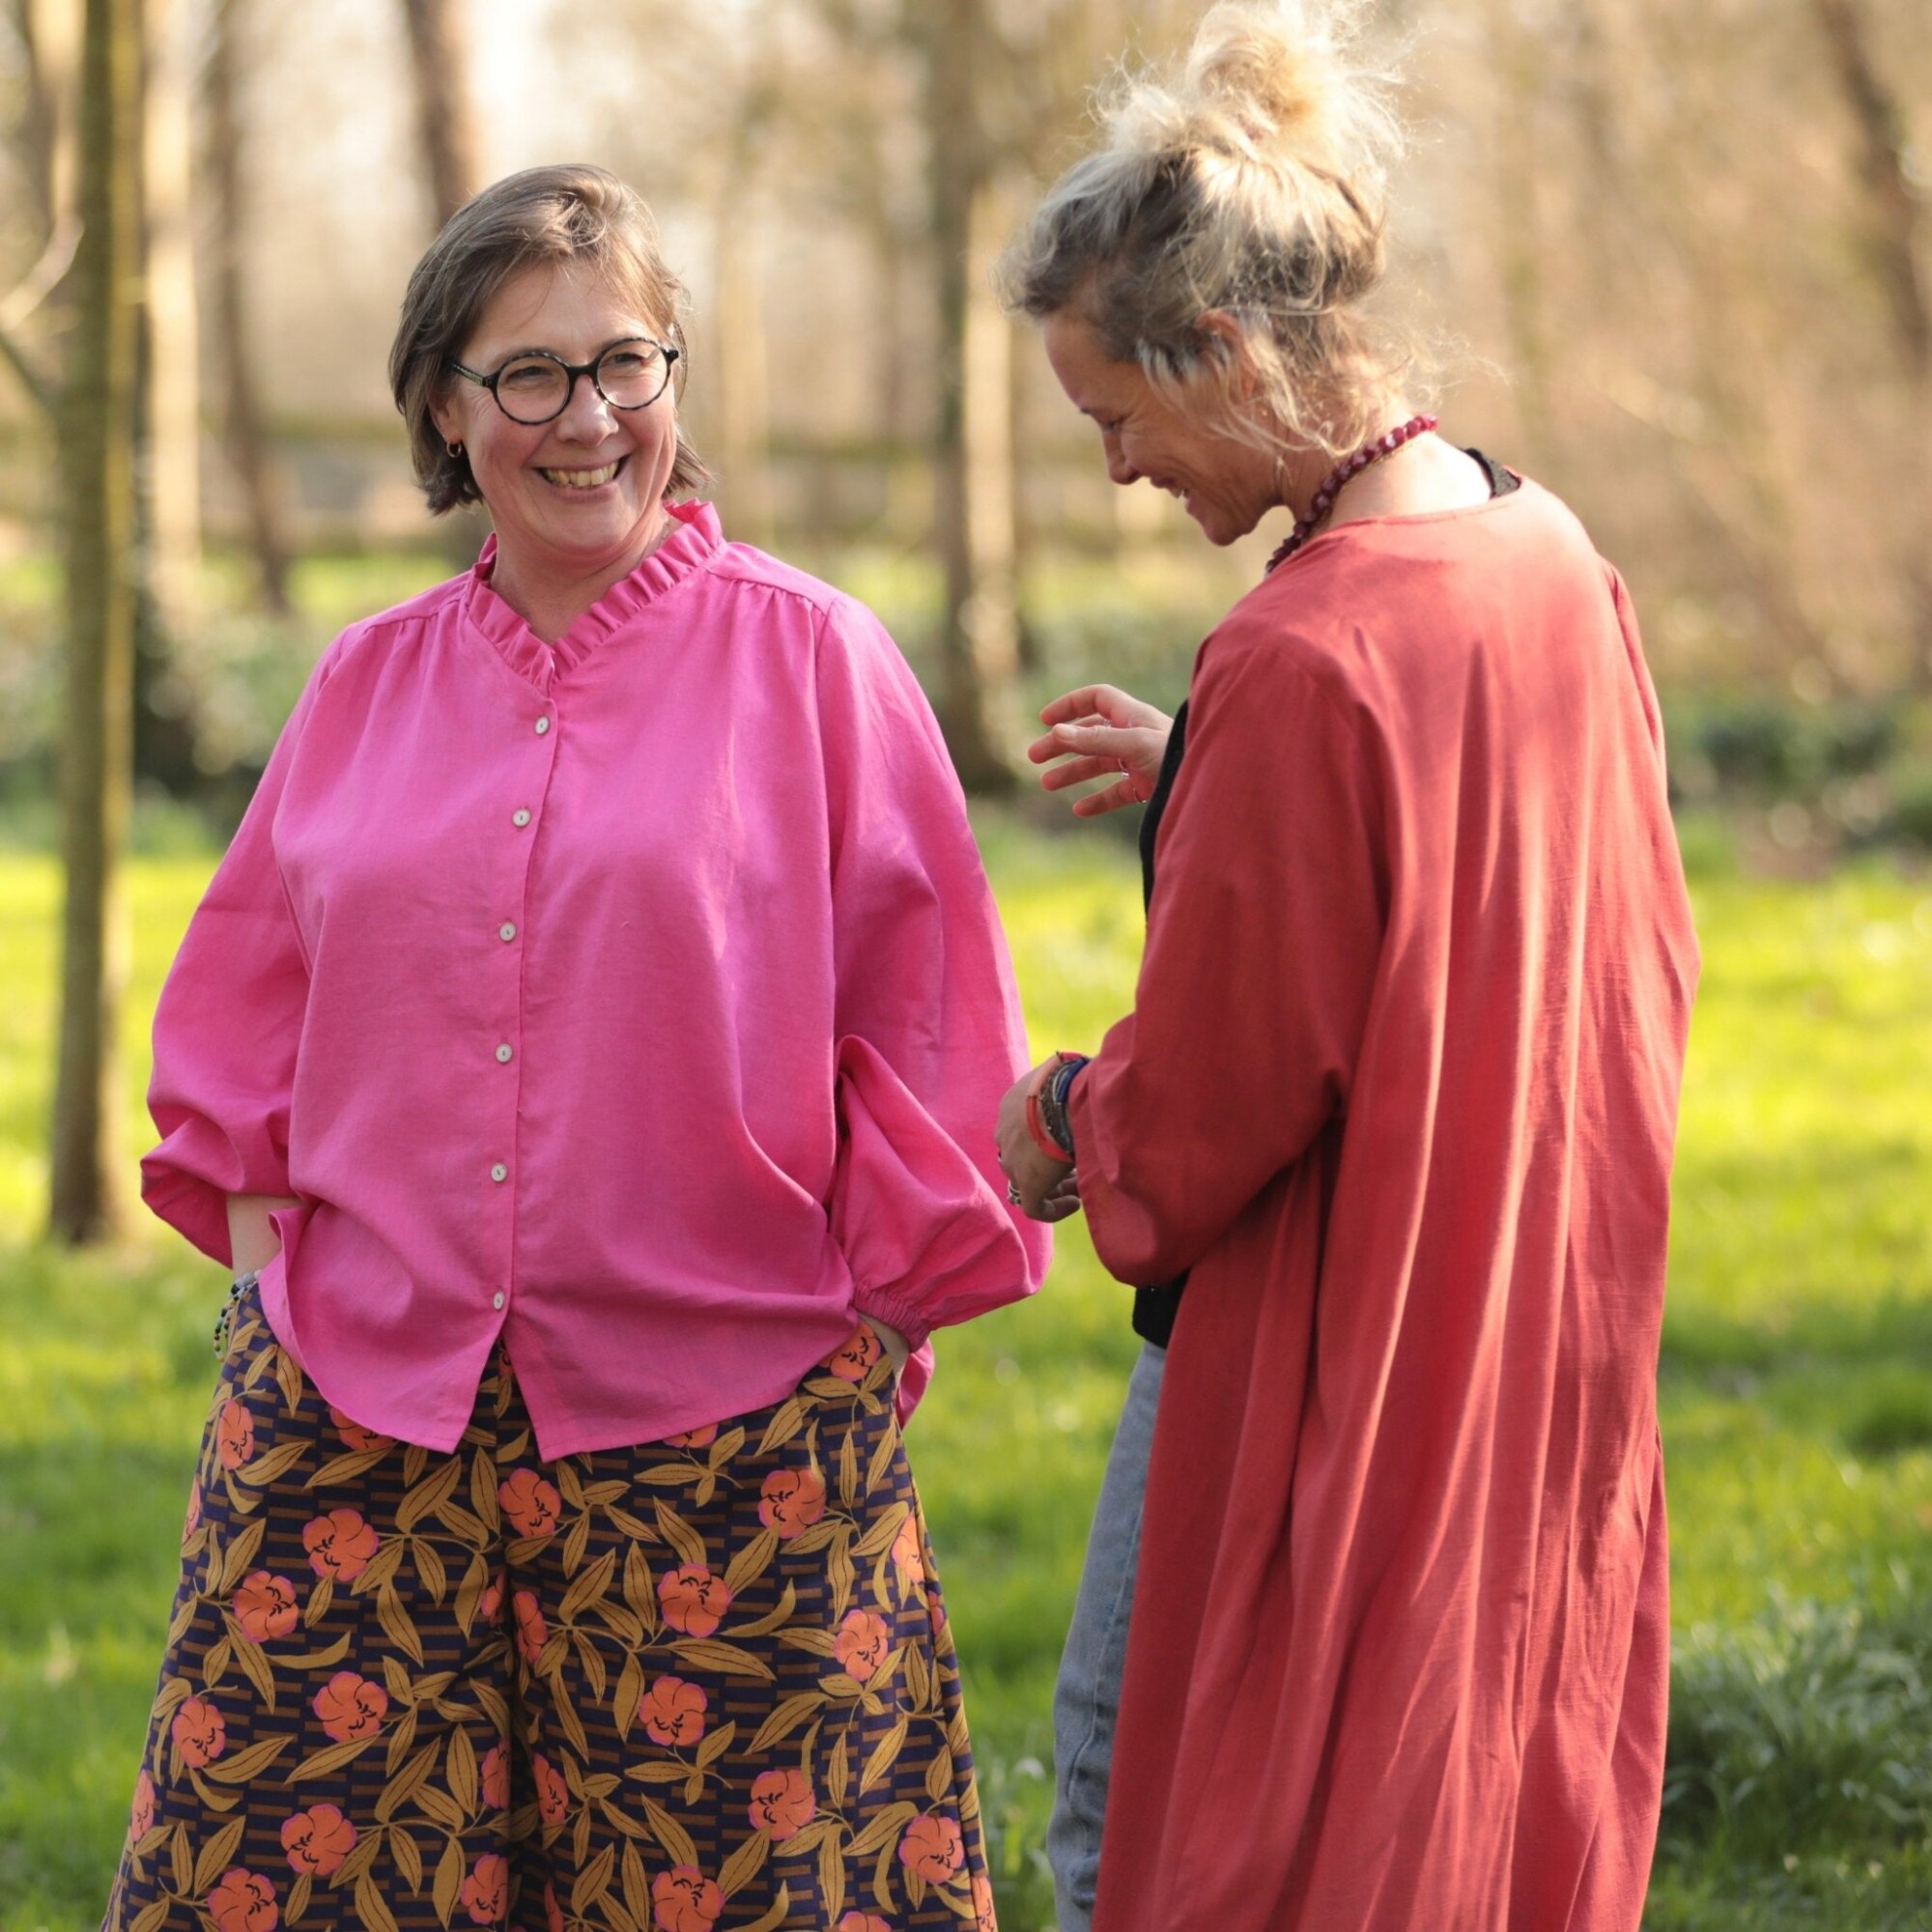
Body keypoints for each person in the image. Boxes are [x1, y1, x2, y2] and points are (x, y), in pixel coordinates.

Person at [106, 164, 1044, 1932]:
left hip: (728, 1439)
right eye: (528, 373)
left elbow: (929, 1029)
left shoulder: (816, 663)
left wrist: (868, 1336)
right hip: (358, 1425)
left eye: (626, 362)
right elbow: (242, 1013)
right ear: (444, 412)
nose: (588, 416)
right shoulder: (364, 683)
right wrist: (263, 1281)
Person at [990, 5, 1699, 1929]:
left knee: (1144, 1807)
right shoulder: (1540, 548)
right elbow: (1525, 893)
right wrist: (1212, 781)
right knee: (1458, 1794)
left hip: (1337, 1341)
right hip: (1524, 1313)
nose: (1120, 472)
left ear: (1224, 351)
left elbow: (1201, 1120)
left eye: (1117, 419)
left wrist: (1058, 1117)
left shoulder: (1298, 658)